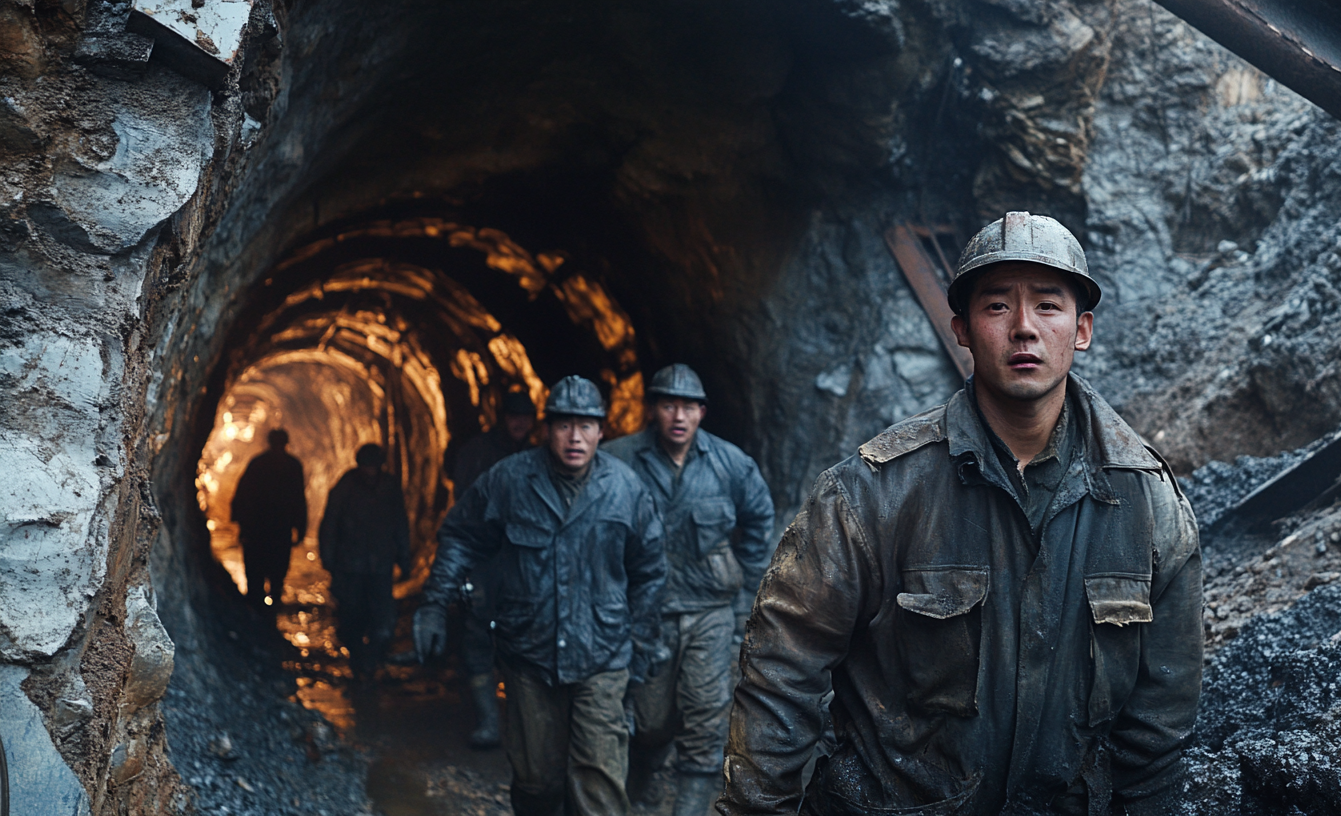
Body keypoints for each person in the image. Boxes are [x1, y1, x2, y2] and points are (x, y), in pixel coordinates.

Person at [720, 213, 1203, 816]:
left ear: (1081, 330)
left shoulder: (1148, 504)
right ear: (962, 330)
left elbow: (1159, 730)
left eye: (1048, 306)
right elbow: (782, 675)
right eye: (997, 306)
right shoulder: (872, 493)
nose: (1023, 327)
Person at [414, 375, 668, 816]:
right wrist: (435, 603)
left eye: (585, 426)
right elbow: (461, 535)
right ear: (546, 429)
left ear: (601, 431)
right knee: (537, 783)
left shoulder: (626, 489)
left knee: (599, 787)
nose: (575, 437)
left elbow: (650, 572)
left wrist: (638, 647)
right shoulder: (510, 480)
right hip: (529, 655)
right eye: (564, 425)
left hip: (602, 656)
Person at [602, 364, 775, 816]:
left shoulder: (730, 464)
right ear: (652, 409)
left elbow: (759, 520)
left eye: (688, 407)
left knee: (705, 719)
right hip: (647, 614)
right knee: (650, 721)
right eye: (668, 405)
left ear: (702, 412)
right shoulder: (618, 460)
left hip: (709, 611)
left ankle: (689, 808)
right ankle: (641, 787)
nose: (678, 416)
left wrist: (742, 595)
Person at [453, 390, 538, 749]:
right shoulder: (476, 452)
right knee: (478, 637)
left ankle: (525, 723)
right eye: (513, 416)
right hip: (486, 560)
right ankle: (488, 721)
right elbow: (463, 507)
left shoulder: (541, 456)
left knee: (527, 639)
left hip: (528, 563)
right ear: (501, 417)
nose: (519, 423)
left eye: (526, 417)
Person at [318, 443, 411, 683]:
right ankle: (359, 660)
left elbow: (400, 521)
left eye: (374, 465)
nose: (370, 470)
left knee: (382, 617)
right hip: (350, 565)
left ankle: (370, 661)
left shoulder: (389, 486)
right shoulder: (346, 486)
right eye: (367, 465)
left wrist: (404, 556)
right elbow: (330, 521)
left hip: (380, 564)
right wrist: (328, 556)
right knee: (351, 615)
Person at [231, 428, 308, 609]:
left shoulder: (259, 463)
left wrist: (240, 522)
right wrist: (300, 527)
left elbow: (243, 494)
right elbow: (299, 499)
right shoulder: (292, 465)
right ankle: (268, 605)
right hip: (274, 529)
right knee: (275, 570)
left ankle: (259, 608)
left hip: (260, 529)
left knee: (260, 571)